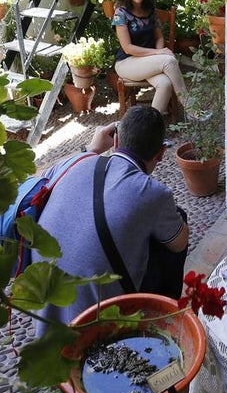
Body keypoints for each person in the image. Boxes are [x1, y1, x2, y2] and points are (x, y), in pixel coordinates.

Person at [31, 105, 189, 328]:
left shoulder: (75, 163)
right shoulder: (152, 192)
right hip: (96, 319)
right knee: (177, 220)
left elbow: (37, 177)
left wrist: (90, 149)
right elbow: (180, 243)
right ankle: (159, 312)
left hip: (44, 306)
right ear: (161, 153)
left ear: (115, 142)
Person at [111, 0, 187, 118]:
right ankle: (190, 107)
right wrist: (159, 55)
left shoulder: (150, 10)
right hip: (126, 63)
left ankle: (148, 128)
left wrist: (159, 59)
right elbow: (128, 48)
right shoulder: (120, 13)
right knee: (170, 61)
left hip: (147, 62)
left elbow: (159, 38)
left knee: (165, 84)